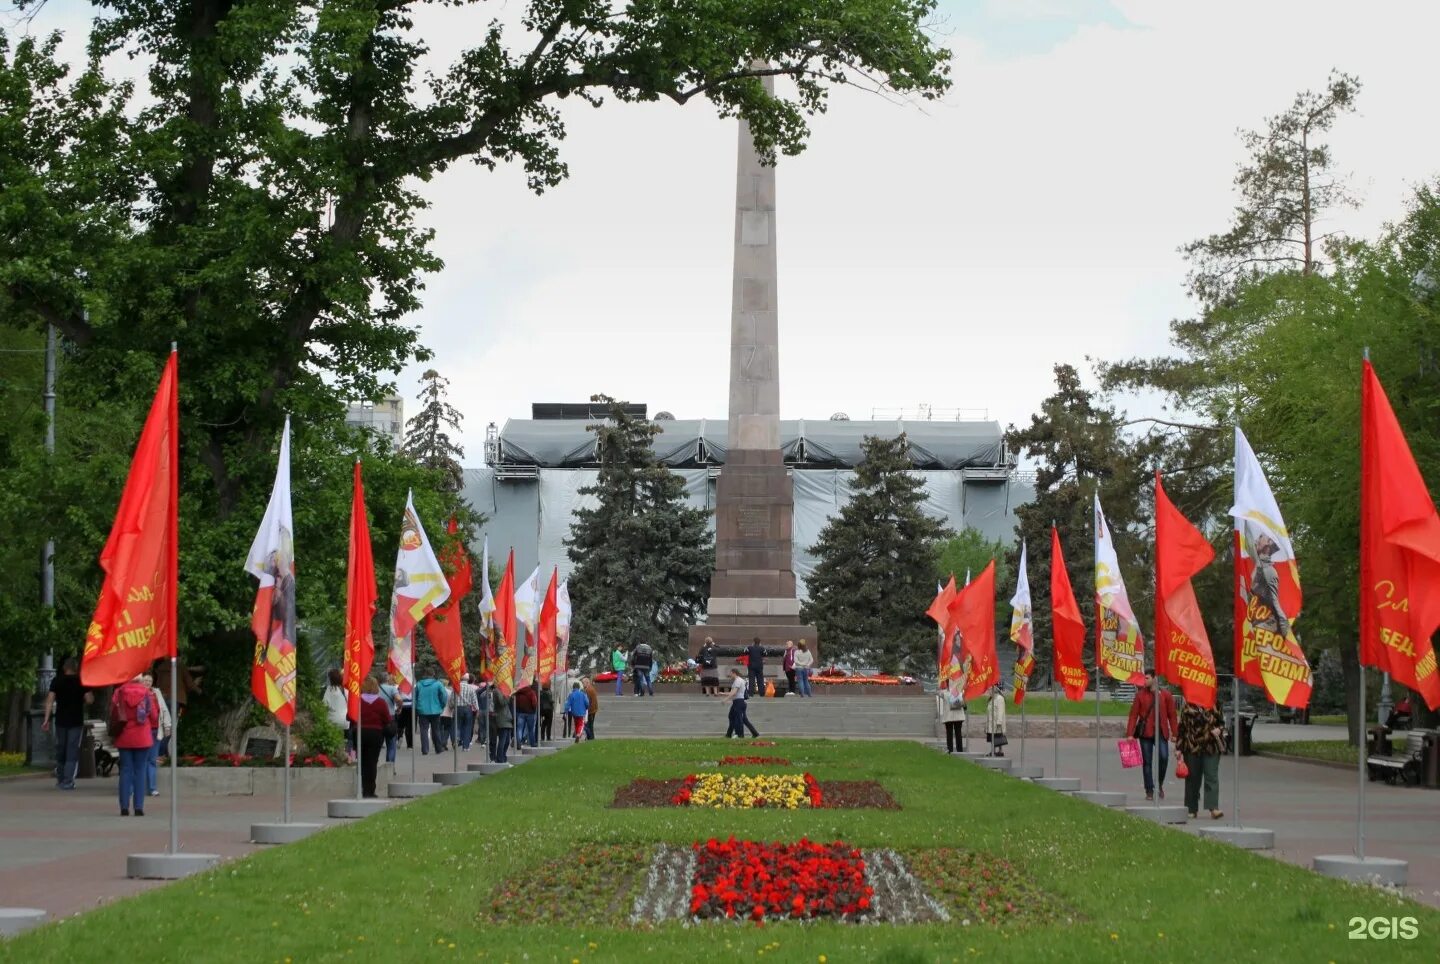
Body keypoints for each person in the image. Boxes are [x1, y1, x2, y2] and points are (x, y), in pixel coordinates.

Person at [1125, 671, 1178, 801]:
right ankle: (1149, 789)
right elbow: (1133, 715)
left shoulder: (1165, 695)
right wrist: (1130, 734)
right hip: (1145, 733)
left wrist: (1175, 734)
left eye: (1147, 678)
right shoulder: (1140, 695)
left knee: (1164, 757)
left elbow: (1172, 715)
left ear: (1154, 679)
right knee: (1147, 762)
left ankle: (1159, 784)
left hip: (1161, 732)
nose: (1144, 681)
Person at [110, 674, 158, 816]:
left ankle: (124, 807)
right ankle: (138, 807)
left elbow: (113, 713)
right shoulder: (146, 693)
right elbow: (154, 716)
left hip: (124, 736)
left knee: (125, 770)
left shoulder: (119, 692)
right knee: (140, 770)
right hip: (142, 736)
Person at [41, 657, 91, 791]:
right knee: (72, 751)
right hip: (75, 721)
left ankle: (61, 779)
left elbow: (49, 701)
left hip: (60, 721)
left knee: (61, 750)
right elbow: (89, 699)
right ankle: (68, 781)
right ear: (76, 668)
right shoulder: (82, 681)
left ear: (64, 668)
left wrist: (46, 719)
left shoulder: (57, 681)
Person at [1177, 699, 1226, 820]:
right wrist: (1178, 748)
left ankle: (1213, 807)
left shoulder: (1215, 703)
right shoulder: (1188, 705)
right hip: (1192, 746)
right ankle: (1191, 808)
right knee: (1192, 778)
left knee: (1211, 776)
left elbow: (1222, 723)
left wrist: (1219, 729)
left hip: (1211, 746)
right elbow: (1182, 728)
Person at [356, 676, 393, 798]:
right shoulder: (381, 702)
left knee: (362, 762)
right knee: (372, 762)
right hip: (375, 734)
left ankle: (361, 788)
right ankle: (369, 790)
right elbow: (387, 719)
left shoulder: (357, 701)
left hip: (360, 733)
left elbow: (350, 716)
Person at [141, 673, 172, 796]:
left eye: (149, 680)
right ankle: (139, 788)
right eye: (145, 680)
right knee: (142, 760)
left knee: (152, 760)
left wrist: (167, 726)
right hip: (143, 731)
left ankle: (153, 788)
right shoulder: (138, 693)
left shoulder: (156, 693)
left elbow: (164, 709)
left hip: (156, 730)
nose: (147, 682)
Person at [413, 668, 449, 754]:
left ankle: (425, 750)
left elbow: (414, 697)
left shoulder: (419, 684)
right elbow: (444, 696)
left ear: (425, 674)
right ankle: (438, 748)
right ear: (433, 674)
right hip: (435, 710)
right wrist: (442, 706)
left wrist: (417, 707)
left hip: (422, 710)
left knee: (423, 730)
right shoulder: (438, 684)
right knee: (436, 730)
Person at [322, 668, 352, 761]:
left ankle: (337, 757)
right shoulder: (346, 690)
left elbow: (325, 705)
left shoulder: (329, 690)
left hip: (333, 720)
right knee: (348, 740)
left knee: (336, 741)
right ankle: (350, 757)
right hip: (346, 720)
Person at [725, 668, 760, 738]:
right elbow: (734, 692)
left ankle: (739, 734)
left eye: (730, 673)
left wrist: (726, 699)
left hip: (739, 702)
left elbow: (734, 693)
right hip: (738, 702)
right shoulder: (739, 680)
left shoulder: (738, 681)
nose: (730, 675)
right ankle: (755, 733)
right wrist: (723, 693)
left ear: (734, 673)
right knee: (739, 718)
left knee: (738, 718)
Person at [937, 684, 967, 753]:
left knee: (949, 734)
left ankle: (950, 749)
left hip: (948, 717)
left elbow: (938, 693)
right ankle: (960, 750)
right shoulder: (960, 692)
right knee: (958, 733)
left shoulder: (945, 693)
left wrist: (940, 686)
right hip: (959, 716)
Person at [378, 672, 401, 762]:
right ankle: (390, 766)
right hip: (390, 718)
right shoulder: (392, 689)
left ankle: (375, 764)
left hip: (378, 719)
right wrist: (399, 707)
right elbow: (399, 699)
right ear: (387, 679)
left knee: (377, 744)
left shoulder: (375, 689)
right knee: (391, 743)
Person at [491, 685, 514, 763]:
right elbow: (502, 702)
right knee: (503, 739)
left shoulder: (504, 690)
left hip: (507, 717)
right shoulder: (497, 691)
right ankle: (500, 758)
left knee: (507, 740)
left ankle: (503, 756)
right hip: (501, 717)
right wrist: (508, 695)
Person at [985, 684, 1007, 757]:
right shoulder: (991, 699)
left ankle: (999, 751)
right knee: (993, 737)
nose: (988, 691)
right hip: (991, 722)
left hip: (996, 722)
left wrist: (999, 722)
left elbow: (1001, 711)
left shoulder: (999, 698)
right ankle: (994, 751)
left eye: (990, 689)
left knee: (998, 737)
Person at [457, 674, 478, 750]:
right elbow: (474, 699)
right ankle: (465, 746)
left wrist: (451, 705)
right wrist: (476, 708)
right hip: (468, 708)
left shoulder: (456, 686)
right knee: (467, 727)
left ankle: (457, 738)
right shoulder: (470, 687)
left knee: (457, 725)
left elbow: (452, 698)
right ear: (468, 679)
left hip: (458, 708)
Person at [514, 682, 538, 748]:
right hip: (530, 713)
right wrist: (533, 709)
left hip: (521, 713)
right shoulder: (531, 692)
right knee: (531, 729)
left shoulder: (518, 693)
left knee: (519, 729)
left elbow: (516, 703)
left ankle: (518, 743)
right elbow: (534, 702)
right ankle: (532, 743)